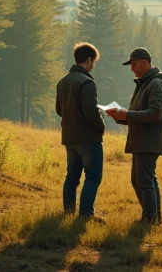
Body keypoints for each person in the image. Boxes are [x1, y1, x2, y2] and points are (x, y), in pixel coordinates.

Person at [106, 47, 162, 226]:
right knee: (143, 180)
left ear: (145, 62)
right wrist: (120, 117)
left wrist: (126, 115)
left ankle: (150, 220)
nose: (132, 68)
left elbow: (155, 113)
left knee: (143, 181)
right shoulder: (145, 84)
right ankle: (153, 217)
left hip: (149, 141)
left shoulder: (156, 85)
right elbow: (139, 114)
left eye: (134, 64)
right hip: (143, 140)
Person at [55, 42, 107, 221]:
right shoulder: (87, 83)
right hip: (88, 139)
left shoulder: (63, 81)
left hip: (69, 138)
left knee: (72, 177)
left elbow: (58, 109)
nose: (93, 66)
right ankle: (85, 215)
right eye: (93, 62)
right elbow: (91, 113)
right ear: (88, 60)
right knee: (92, 177)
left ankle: (68, 213)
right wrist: (101, 126)